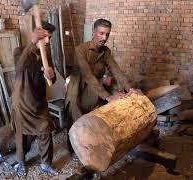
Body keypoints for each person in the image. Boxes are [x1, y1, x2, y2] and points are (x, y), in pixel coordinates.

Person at [65, 18, 133, 153]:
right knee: (75, 119)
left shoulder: (106, 51)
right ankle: (73, 149)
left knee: (92, 120)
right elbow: (88, 76)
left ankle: (89, 148)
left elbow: (116, 69)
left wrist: (129, 88)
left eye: (107, 34)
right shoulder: (81, 50)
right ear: (94, 32)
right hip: (77, 89)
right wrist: (108, 96)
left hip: (94, 89)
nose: (104, 37)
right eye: (101, 33)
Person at [11, 21, 58, 176]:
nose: (48, 41)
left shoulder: (46, 55)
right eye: (45, 37)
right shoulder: (20, 51)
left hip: (39, 103)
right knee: (22, 136)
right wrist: (31, 44)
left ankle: (46, 163)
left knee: (46, 130)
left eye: (49, 38)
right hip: (23, 103)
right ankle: (21, 162)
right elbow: (18, 68)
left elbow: (52, 79)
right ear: (35, 35)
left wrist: (52, 76)